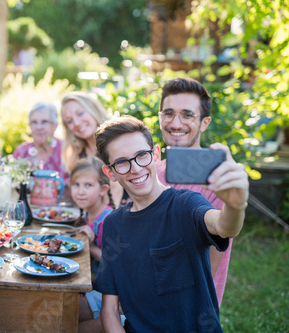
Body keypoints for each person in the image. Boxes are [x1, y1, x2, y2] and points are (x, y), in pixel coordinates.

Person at [94, 116, 248, 332]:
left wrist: (235, 205)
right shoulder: (113, 224)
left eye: (141, 155)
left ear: (155, 155)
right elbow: (109, 309)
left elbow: (225, 226)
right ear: (109, 172)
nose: (136, 168)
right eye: (121, 162)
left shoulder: (186, 204)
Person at [156, 77, 231, 306]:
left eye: (187, 115)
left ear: (205, 123)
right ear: (160, 118)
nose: (175, 123)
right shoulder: (152, 171)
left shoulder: (215, 178)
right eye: (168, 113)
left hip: (187, 307)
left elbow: (211, 263)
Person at [71, 157, 114, 333]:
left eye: (88, 185)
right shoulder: (88, 214)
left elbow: (113, 262)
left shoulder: (108, 220)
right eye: (76, 184)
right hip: (88, 284)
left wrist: (88, 245)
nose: (80, 191)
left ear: (103, 189)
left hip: (106, 295)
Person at [61, 92, 124, 206]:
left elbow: (116, 190)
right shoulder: (78, 154)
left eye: (80, 113)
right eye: (69, 121)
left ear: (93, 109)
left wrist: (103, 222)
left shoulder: (114, 144)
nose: (76, 123)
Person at [13, 101, 67, 180]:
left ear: (55, 126)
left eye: (44, 122)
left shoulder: (66, 150)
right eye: (34, 122)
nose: (39, 127)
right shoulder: (22, 151)